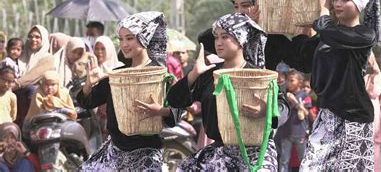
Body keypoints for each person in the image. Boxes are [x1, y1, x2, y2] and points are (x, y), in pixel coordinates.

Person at [167, 13, 289, 171]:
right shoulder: (208, 75)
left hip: (255, 153)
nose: (218, 42)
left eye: (225, 37)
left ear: (241, 38)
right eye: (216, 37)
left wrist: (266, 111)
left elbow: (283, 107)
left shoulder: (259, 75)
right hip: (219, 151)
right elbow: (175, 100)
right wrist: (193, 74)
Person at [296, 0, 381, 171]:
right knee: (310, 168)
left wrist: (323, 13)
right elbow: (302, 61)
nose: (337, 3)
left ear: (360, 4)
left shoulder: (364, 34)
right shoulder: (327, 34)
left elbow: (332, 34)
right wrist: (303, 28)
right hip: (327, 115)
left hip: (354, 117)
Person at [76, 12, 180, 171]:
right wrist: (89, 84)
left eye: (129, 38)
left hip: (146, 154)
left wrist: (161, 111)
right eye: (121, 39)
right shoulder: (118, 75)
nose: (123, 44)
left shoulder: (159, 75)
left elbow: (177, 113)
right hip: (114, 151)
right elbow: (87, 102)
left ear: (144, 38)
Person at [198, 0, 292, 71]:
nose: (239, 11)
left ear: (260, 6)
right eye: (236, 7)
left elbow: (303, 63)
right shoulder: (230, 33)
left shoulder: (274, 39)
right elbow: (203, 40)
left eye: (245, 6)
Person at [13, 25, 54, 128]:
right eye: (30, 36)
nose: (33, 40)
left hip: (35, 97)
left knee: (32, 88)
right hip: (16, 93)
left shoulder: (47, 58)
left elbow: (32, 76)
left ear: (43, 39)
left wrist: (15, 85)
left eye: (37, 37)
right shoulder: (21, 54)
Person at [278, 69, 311, 171]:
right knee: (284, 161)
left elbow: (306, 113)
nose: (289, 83)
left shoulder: (305, 95)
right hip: (286, 133)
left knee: (303, 160)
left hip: (300, 133)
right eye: (288, 80)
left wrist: (295, 102)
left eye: (292, 80)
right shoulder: (284, 95)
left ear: (299, 82)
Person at [365, 52, 381, 172]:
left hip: (372, 111)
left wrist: (372, 76)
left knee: (374, 144)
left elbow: (374, 93)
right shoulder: (358, 73)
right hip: (362, 111)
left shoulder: (377, 75)